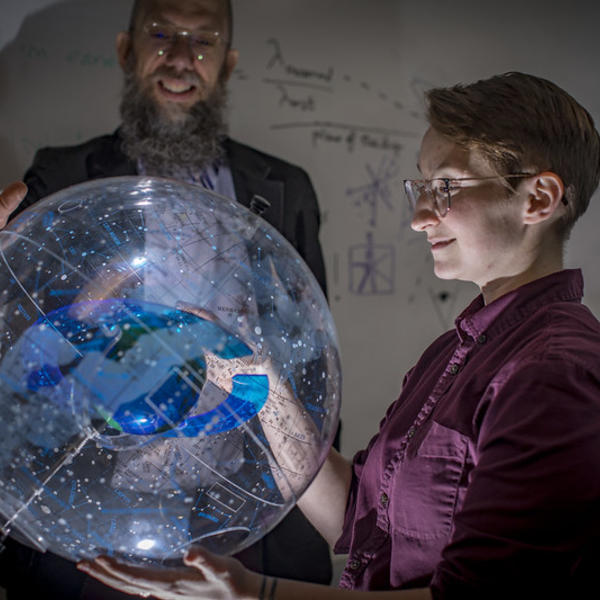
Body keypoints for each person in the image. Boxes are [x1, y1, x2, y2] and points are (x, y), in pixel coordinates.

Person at [75, 70, 600, 599]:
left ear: (538, 199)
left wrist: (257, 594)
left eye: (444, 187)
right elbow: (357, 518)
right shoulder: (458, 348)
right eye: (421, 186)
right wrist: (255, 377)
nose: (419, 217)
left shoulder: (552, 373)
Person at [0, 0, 335, 597]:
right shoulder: (64, 175)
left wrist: (323, 503)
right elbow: (22, 345)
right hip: (94, 515)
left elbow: (312, 358)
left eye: (203, 42)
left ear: (226, 65)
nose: (181, 58)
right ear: (127, 51)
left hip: (245, 513)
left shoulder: (285, 190)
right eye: (161, 35)